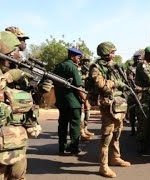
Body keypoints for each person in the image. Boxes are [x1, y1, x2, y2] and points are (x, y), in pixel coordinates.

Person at [0, 31, 41, 179]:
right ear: (9, 53)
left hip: (16, 139)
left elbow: (29, 101)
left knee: (18, 174)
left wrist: (41, 88)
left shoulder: (17, 73)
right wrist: (10, 76)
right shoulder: (9, 74)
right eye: (16, 49)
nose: (20, 53)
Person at [88, 41, 130, 178]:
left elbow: (120, 83)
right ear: (105, 52)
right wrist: (117, 84)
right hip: (108, 105)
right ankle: (103, 166)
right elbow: (101, 85)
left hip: (118, 104)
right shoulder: (96, 67)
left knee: (117, 132)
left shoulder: (114, 66)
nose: (114, 54)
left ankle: (115, 157)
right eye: (112, 52)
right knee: (107, 135)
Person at [53, 48, 87, 155]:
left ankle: (62, 147)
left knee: (62, 124)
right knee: (75, 126)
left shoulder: (58, 66)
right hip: (73, 103)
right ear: (72, 57)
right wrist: (86, 100)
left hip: (61, 102)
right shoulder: (72, 67)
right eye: (78, 58)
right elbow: (78, 87)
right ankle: (74, 148)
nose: (79, 60)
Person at [78, 58, 94, 141]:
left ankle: (85, 129)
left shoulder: (89, 73)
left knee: (87, 113)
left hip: (87, 95)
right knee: (82, 114)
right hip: (79, 95)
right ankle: (81, 132)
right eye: (85, 62)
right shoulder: (78, 71)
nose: (87, 64)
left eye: (88, 62)